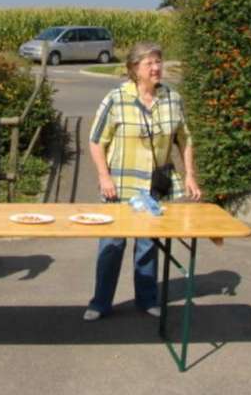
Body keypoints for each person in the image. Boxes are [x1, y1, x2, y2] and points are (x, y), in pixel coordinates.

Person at [83, 41, 202, 321]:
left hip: (153, 187)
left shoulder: (173, 98)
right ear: (134, 69)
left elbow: (185, 139)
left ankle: (146, 299)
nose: (157, 68)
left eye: (158, 61)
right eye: (149, 63)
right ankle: (100, 303)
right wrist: (104, 176)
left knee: (148, 245)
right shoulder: (116, 98)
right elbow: (96, 141)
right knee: (112, 246)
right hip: (119, 184)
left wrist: (190, 176)